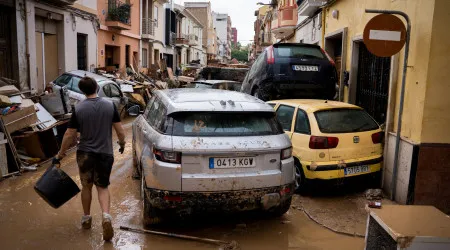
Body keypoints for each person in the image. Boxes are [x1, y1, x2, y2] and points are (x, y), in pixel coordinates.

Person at [55, 77, 126, 241]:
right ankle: (106, 216)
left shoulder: (79, 108)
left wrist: (60, 154)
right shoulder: (110, 105)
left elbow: (69, 134)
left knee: (86, 186)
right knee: (102, 187)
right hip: (105, 154)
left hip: (85, 154)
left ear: (82, 91)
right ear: (96, 88)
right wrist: (122, 143)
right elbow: (121, 131)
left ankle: (86, 218)